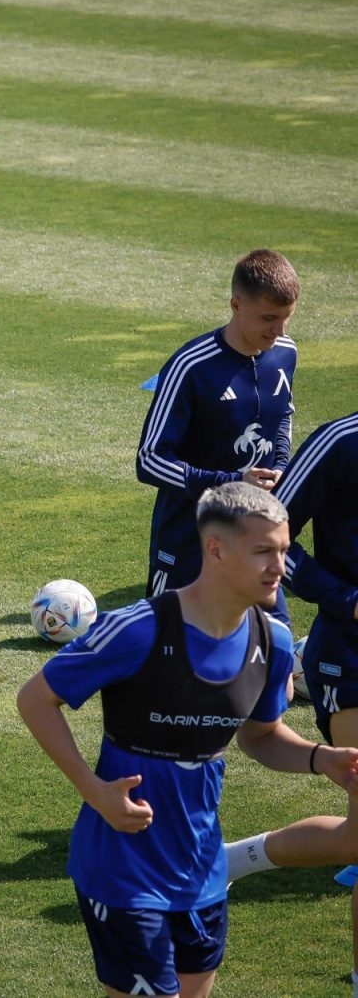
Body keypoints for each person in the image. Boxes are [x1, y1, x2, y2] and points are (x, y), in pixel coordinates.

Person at [17, 483, 358, 998]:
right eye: (264, 551)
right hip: (122, 868)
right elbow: (35, 699)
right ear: (215, 550)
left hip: (202, 867)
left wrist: (319, 757)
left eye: (285, 551)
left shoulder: (273, 641)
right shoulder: (138, 629)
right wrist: (93, 790)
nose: (279, 567)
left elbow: (261, 736)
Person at [220, 412, 358, 997]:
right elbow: (267, 532)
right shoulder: (343, 442)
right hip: (351, 656)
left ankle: (232, 861)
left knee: (355, 839)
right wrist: (347, 599)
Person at [136, 250, 299, 617]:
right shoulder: (191, 366)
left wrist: (281, 465)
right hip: (190, 539)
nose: (279, 331)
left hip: (256, 536)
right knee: (173, 643)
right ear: (236, 304)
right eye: (268, 318)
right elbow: (149, 460)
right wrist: (232, 482)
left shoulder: (285, 353)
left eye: (287, 318)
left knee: (275, 641)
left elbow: (282, 417)